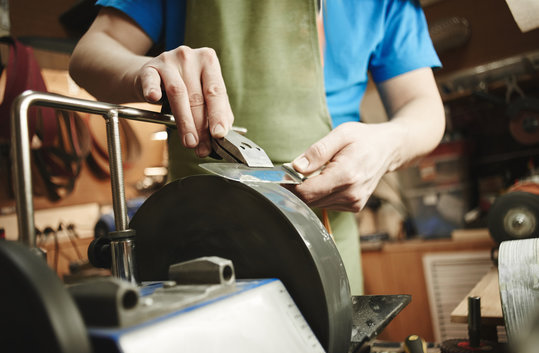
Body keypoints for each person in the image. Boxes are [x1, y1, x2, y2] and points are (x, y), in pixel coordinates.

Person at [69, 0, 445, 295]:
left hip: (324, 237)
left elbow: (424, 108)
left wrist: (388, 144)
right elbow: (91, 52)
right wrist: (145, 70)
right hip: (193, 238)